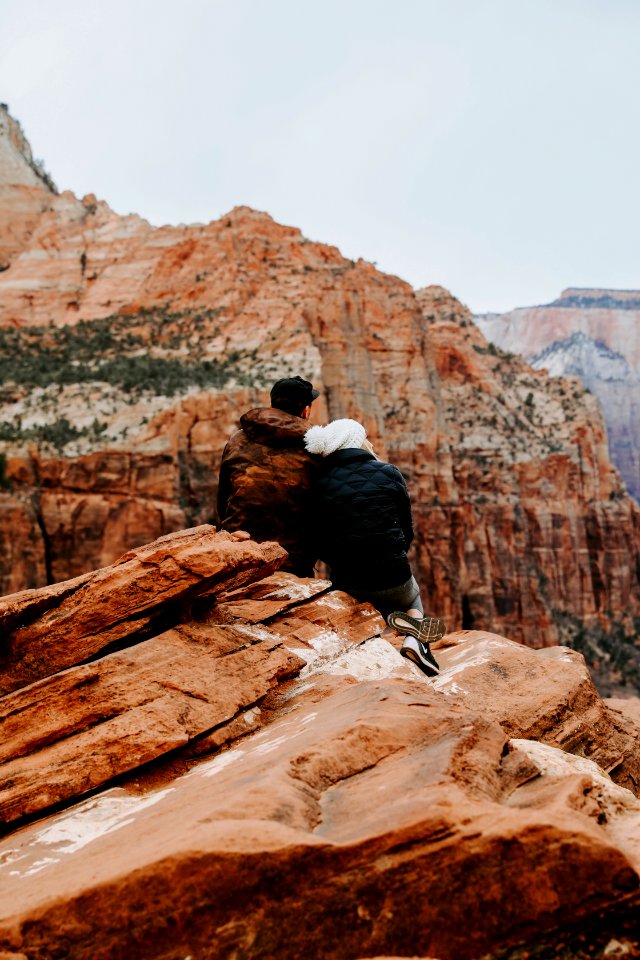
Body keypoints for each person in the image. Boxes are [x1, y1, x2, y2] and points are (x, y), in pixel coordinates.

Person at [304, 418, 446, 677]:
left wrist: (337, 562)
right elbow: (407, 527)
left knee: (361, 603)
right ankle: (416, 640)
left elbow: (317, 537)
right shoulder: (388, 472)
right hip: (393, 573)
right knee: (412, 597)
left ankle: (369, 656)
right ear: (358, 441)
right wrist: (394, 552)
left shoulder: (318, 482)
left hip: (349, 580)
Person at [216, 376, 320, 577]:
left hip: (237, 553)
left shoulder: (238, 439)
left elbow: (223, 499)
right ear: (305, 410)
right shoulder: (316, 446)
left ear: (272, 404)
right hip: (293, 561)